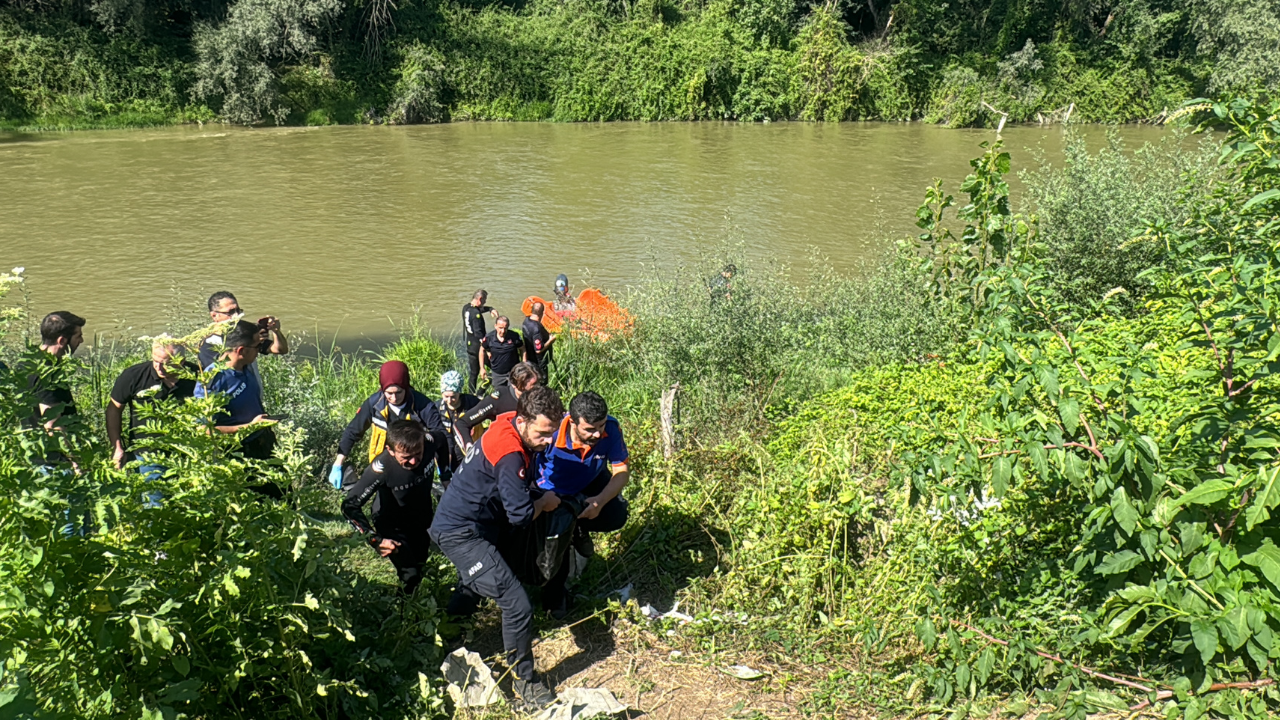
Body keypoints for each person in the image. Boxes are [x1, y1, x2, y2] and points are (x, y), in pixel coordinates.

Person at [429, 385, 566, 710]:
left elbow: (513, 493)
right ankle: (526, 685)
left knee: (474, 583)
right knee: (517, 605)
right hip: (460, 532)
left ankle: (448, 638)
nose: (548, 442)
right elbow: (519, 514)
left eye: (553, 434)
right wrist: (544, 502)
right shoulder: (510, 453)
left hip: (477, 524)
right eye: (543, 434)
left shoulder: (505, 422)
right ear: (523, 420)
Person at [533, 391, 631, 618]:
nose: (597, 433)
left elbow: (621, 472)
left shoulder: (611, 429)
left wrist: (599, 501)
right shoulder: (552, 431)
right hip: (553, 491)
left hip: (589, 481)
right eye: (589, 429)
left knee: (616, 514)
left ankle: (580, 527)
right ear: (573, 422)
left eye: (601, 426)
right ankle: (554, 600)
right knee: (557, 542)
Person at [343, 419, 436, 595]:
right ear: (390, 451)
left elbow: (443, 440)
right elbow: (349, 506)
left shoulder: (430, 442)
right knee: (410, 574)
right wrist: (374, 539)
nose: (414, 461)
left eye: (418, 453)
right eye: (406, 457)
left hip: (421, 517)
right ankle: (404, 618)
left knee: (420, 565)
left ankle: (414, 609)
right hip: (392, 524)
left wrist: (446, 474)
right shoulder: (381, 468)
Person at [328, 360, 450, 491]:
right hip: (384, 464)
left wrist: (444, 469)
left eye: (399, 392)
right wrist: (338, 463)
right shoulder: (374, 405)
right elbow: (353, 431)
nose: (394, 398)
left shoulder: (423, 406)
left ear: (406, 387)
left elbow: (442, 435)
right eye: (389, 393)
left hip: (414, 463)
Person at [194, 320, 282, 497]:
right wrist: (250, 427)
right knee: (251, 502)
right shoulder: (212, 381)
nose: (259, 350)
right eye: (257, 346)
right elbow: (203, 430)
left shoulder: (246, 366)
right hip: (238, 452)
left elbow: (280, 350)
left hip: (263, 442)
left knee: (282, 493)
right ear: (241, 350)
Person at [106, 339, 198, 477]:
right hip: (148, 455)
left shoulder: (197, 376)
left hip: (188, 453)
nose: (158, 367)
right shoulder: (134, 376)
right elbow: (114, 409)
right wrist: (117, 447)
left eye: (166, 364)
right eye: (155, 361)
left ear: (181, 361)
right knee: (154, 498)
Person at [25, 311, 86, 465]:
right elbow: (52, 425)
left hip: (32, 454)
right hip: (54, 463)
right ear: (61, 340)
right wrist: (76, 463)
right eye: (78, 336)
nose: (81, 340)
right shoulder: (48, 374)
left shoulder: (26, 363)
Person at [197, 291, 288, 384]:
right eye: (231, 312)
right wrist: (248, 344)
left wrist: (276, 331)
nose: (237, 316)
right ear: (214, 315)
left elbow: (280, 350)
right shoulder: (208, 344)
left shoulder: (246, 332)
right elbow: (221, 377)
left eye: (238, 310)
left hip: (254, 394)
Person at [454, 362, 542, 448]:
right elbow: (462, 423)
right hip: (507, 451)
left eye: (537, 387)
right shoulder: (499, 399)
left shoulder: (542, 397)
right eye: (525, 392)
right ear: (514, 384)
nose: (533, 395)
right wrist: (469, 447)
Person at [438, 370, 480, 471]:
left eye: (453, 397)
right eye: (446, 396)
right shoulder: (437, 408)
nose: (449, 400)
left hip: (472, 445)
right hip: (450, 449)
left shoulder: (472, 402)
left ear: (459, 392)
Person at [462, 290, 496, 393]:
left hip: (470, 346)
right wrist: (488, 350)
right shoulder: (476, 315)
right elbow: (479, 334)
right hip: (479, 348)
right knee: (496, 367)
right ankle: (483, 390)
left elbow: (478, 310)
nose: (485, 303)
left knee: (474, 373)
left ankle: (471, 394)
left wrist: (490, 309)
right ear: (480, 299)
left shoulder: (466, 308)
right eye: (484, 300)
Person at [480, 316, 524, 390]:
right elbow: (482, 350)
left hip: (513, 372)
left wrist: (524, 364)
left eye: (505, 328)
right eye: (500, 328)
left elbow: (523, 349)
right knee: (499, 396)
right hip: (497, 374)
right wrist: (482, 368)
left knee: (514, 394)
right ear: (495, 326)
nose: (503, 331)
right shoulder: (489, 338)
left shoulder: (514, 336)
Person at [522, 302, 556, 376]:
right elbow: (538, 350)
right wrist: (551, 340)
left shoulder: (526, 321)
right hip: (539, 361)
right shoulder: (537, 329)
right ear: (542, 312)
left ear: (532, 310)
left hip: (530, 357)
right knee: (541, 381)